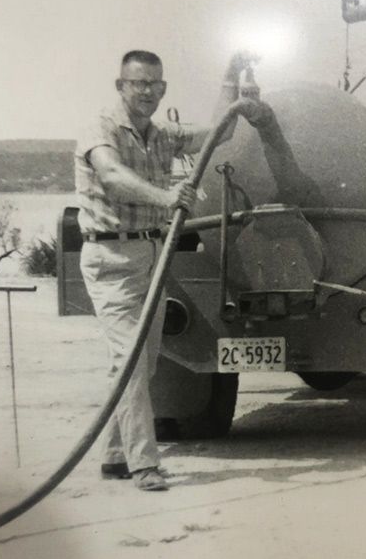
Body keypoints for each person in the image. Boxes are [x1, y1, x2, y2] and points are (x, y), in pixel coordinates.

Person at [74, 49, 264, 491]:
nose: (146, 92)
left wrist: (231, 75)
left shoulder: (161, 134)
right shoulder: (99, 128)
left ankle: (116, 456)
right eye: (137, 83)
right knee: (130, 363)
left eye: (154, 84)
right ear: (120, 86)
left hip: (152, 254)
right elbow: (114, 176)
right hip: (111, 259)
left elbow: (221, 131)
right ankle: (144, 465)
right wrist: (166, 198)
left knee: (142, 362)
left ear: (163, 89)